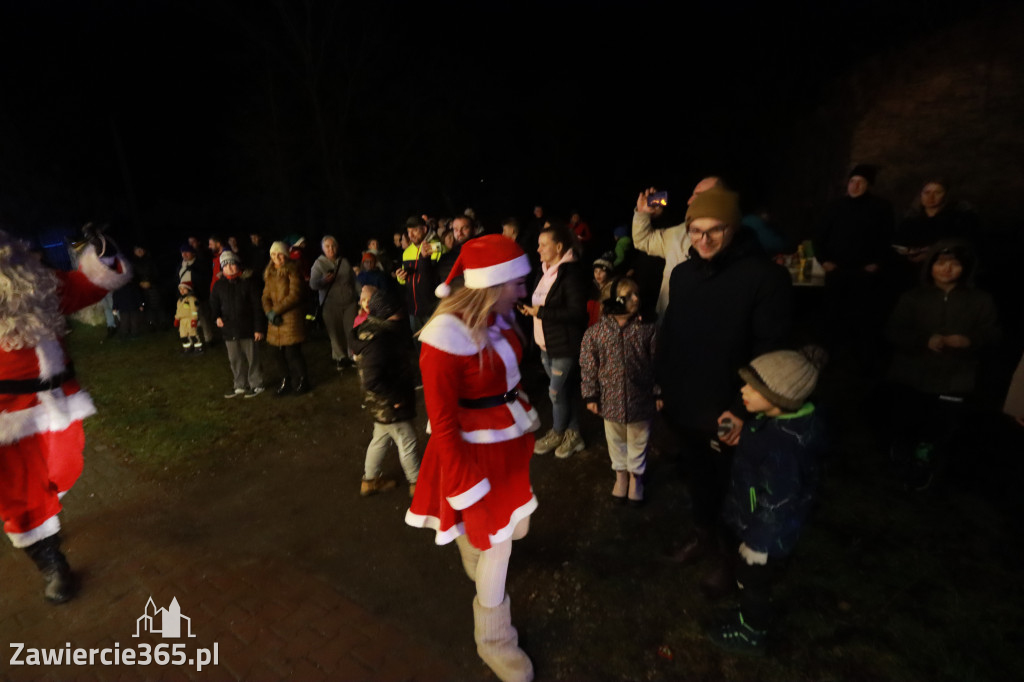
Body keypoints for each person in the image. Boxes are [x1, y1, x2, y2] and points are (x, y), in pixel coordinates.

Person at [405, 235, 537, 682]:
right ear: (494, 284)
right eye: (517, 283)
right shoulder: (444, 337)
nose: (524, 291)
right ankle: (495, 640)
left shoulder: (498, 318)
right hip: (470, 458)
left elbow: (506, 378)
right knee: (497, 549)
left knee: (505, 532)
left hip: (505, 444)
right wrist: (462, 486)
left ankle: (471, 538)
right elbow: (441, 423)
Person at [657, 186, 793, 598]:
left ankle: (728, 558)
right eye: (696, 230)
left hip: (730, 408)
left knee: (737, 490)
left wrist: (740, 408)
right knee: (699, 478)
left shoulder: (765, 278)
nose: (704, 239)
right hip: (686, 403)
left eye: (715, 229)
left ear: (733, 228)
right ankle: (702, 534)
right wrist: (663, 384)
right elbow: (673, 333)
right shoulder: (682, 274)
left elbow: (771, 347)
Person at [0, 225, 132, 603]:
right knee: (21, 492)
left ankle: (45, 519)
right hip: (8, 416)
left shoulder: (37, 283)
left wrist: (103, 254)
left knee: (64, 468)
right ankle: (50, 559)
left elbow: (85, 284)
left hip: (60, 401)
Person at [709, 347, 827, 655]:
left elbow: (780, 502)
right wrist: (739, 435)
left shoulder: (786, 446)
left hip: (763, 535)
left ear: (780, 396)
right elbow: (755, 442)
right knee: (749, 580)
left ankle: (752, 631)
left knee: (753, 581)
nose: (743, 390)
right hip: (751, 517)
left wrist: (759, 544)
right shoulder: (773, 420)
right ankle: (749, 614)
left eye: (753, 387)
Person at [884, 240, 999, 490]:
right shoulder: (913, 297)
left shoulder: (980, 300)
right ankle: (903, 446)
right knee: (909, 414)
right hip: (912, 372)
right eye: (940, 262)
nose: (947, 269)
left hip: (955, 376)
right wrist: (925, 339)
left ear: (966, 268)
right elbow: (894, 330)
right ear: (930, 266)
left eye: (954, 263)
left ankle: (925, 456)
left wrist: (969, 340)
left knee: (941, 421)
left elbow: (992, 333)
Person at [580, 278, 661, 504]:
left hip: (640, 398)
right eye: (629, 296)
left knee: (638, 439)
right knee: (615, 440)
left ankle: (636, 477)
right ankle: (621, 476)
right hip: (610, 400)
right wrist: (590, 394)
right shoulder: (595, 334)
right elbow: (588, 367)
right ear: (613, 301)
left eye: (637, 294)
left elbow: (657, 363)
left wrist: (658, 391)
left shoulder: (647, 330)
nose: (636, 299)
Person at [519, 223, 589, 458]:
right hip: (545, 345)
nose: (538, 249)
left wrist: (541, 313)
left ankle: (558, 431)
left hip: (564, 346)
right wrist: (532, 311)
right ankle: (574, 434)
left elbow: (578, 313)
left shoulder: (570, 273)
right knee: (565, 392)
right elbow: (543, 304)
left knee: (555, 394)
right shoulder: (544, 270)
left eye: (543, 245)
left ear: (559, 247)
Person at [814, 164, 894, 367]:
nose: (855, 186)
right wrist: (823, 260)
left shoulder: (881, 208)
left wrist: (877, 263)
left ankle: (859, 362)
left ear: (869, 185)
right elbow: (820, 236)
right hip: (837, 272)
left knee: (862, 320)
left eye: (861, 182)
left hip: (864, 275)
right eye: (852, 181)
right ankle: (829, 358)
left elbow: (887, 239)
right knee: (832, 317)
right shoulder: (834, 207)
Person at [352, 290, 420, 497]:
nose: (402, 314)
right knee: (407, 440)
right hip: (388, 403)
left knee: (380, 438)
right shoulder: (379, 341)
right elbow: (372, 379)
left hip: (379, 402)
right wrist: (396, 397)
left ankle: (370, 480)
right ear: (386, 312)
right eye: (398, 311)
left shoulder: (378, 331)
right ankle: (417, 484)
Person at [632, 177, 720, 321]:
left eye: (698, 196)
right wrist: (643, 214)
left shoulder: (734, 240)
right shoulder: (678, 233)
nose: (689, 201)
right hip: (667, 324)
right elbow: (643, 240)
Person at [210, 250, 266, 398]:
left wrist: (258, 329)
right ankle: (239, 385)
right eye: (226, 265)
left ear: (238, 265)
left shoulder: (248, 283)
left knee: (252, 358)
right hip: (229, 330)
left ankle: (257, 384)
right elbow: (214, 305)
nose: (229, 267)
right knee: (235, 359)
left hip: (248, 328)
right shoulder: (219, 286)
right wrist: (216, 317)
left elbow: (257, 307)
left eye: (232, 264)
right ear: (222, 268)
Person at [263, 240, 310, 396]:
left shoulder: (293, 271)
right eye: (274, 254)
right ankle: (286, 380)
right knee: (276, 353)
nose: (277, 257)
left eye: (280, 254)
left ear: (286, 255)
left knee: (292, 353)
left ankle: (303, 381)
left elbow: (295, 295)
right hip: (275, 321)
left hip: (290, 319)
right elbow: (265, 296)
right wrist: (269, 311)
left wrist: (275, 311)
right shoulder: (270, 273)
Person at [310, 235, 359, 370]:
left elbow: (354, 280)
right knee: (335, 332)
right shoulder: (319, 264)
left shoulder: (344, 262)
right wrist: (324, 281)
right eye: (327, 246)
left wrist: (361, 296)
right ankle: (340, 358)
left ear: (337, 247)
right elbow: (313, 284)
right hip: (330, 304)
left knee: (351, 330)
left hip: (349, 302)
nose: (331, 249)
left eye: (333, 246)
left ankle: (352, 355)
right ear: (323, 248)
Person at [395, 215, 444, 334]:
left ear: (424, 230)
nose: (411, 235)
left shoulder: (436, 247)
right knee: (418, 343)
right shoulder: (407, 252)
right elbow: (404, 280)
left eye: (415, 231)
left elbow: (438, 277)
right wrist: (400, 277)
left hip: (432, 307)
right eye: (408, 232)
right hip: (413, 309)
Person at [174, 281, 203, 353]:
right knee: (183, 335)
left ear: (189, 289)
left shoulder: (192, 299)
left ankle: (198, 347)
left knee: (192, 333)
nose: (182, 291)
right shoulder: (179, 300)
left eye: (184, 289)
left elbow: (194, 310)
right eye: (180, 289)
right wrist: (177, 319)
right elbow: (179, 311)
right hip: (182, 321)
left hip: (190, 319)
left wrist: (194, 319)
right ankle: (187, 348)